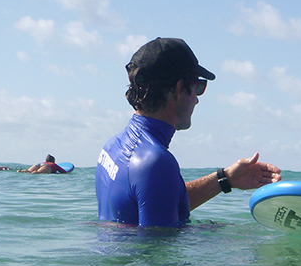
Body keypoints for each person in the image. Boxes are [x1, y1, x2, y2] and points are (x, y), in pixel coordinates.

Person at [96, 37, 281, 227]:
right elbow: (158, 244)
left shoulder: (113, 146)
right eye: (197, 88)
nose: (197, 100)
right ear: (179, 89)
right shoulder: (155, 163)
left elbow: (157, 204)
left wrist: (226, 179)